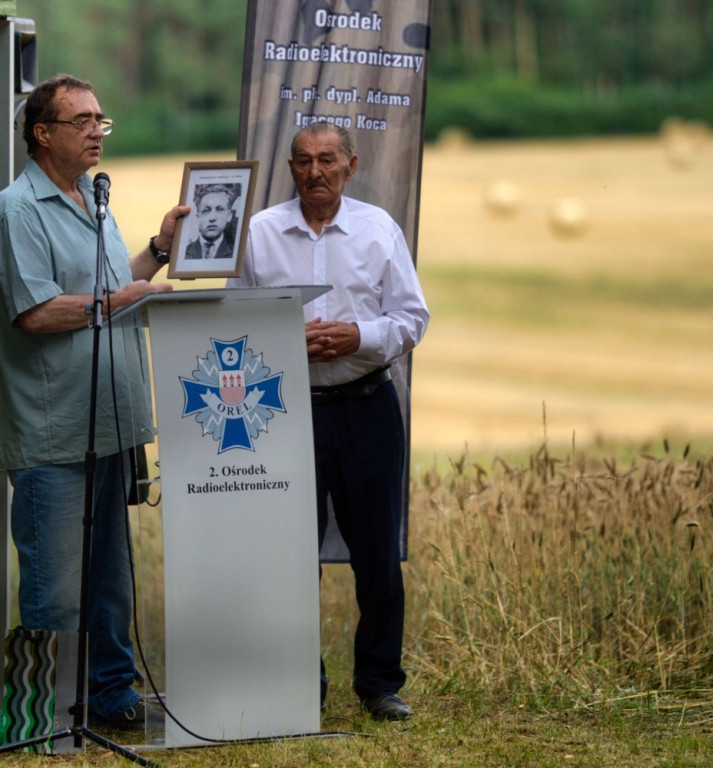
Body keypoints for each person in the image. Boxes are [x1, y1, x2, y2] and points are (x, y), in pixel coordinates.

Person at [0, 74, 188, 729]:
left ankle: (110, 695)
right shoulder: (17, 211)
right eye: (80, 120)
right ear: (41, 132)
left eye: (100, 121)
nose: (94, 131)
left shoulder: (94, 200)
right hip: (54, 430)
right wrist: (117, 301)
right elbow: (37, 313)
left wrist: (159, 251)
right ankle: (43, 718)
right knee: (56, 580)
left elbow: (111, 287)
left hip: (108, 423)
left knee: (109, 576)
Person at [227, 123, 429, 721]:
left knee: (377, 556)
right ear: (289, 168)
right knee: (290, 558)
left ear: (351, 165)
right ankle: (298, 684)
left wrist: (358, 336)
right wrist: (285, 338)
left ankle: (379, 684)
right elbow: (232, 323)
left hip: (368, 406)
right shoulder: (260, 235)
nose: (315, 172)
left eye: (327, 160)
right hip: (287, 410)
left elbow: (412, 319)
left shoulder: (378, 230)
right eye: (303, 161)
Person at [184, 184, 237, 260]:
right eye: (206, 211)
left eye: (219, 210)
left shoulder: (237, 255)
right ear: (197, 217)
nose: (212, 218)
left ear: (229, 216)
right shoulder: (183, 254)